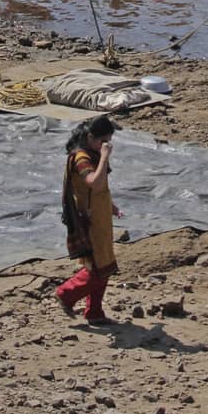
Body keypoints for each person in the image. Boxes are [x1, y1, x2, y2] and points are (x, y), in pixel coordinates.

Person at [55, 116, 122, 324]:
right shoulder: (81, 158)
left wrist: (111, 207)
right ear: (91, 138)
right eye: (103, 141)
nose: (106, 145)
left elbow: (102, 188)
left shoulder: (92, 153)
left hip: (101, 217)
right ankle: (66, 293)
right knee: (96, 268)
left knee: (105, 265)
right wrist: (104, 157)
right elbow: (94, 182)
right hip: (89, 221)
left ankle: (94, 311)